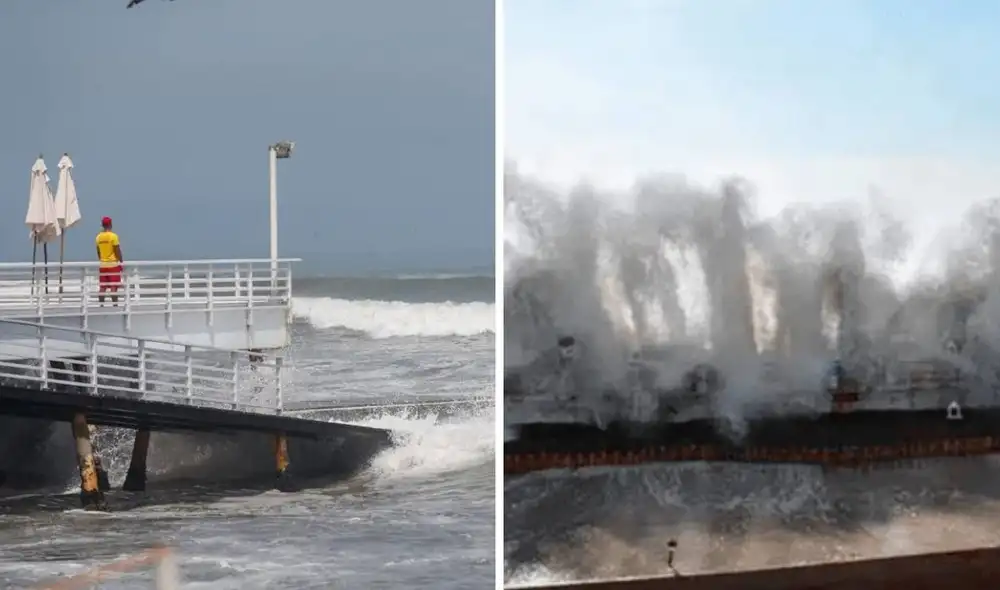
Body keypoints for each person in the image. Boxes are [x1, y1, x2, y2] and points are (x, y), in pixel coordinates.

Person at [95, 216, 124, 305]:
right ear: (110, 224)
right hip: (113, 265)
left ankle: (101, 305)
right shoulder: (113, 236)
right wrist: (121, 260)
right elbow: (117, 250)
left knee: (102, 287)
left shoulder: (98, 237)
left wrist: (102, 260)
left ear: (103, 225)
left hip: (103, 265)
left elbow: (98, 252)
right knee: (113, 286)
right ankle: (115, 305)